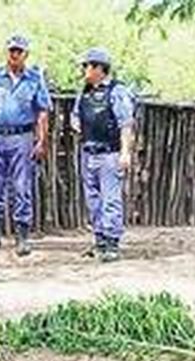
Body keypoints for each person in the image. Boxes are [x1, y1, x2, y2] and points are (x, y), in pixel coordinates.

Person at [0, 34, 53, 257]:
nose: (14, 54)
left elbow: (43, 112)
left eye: (19, 51)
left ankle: (22, 237)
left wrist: (41, 141)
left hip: (22, 137)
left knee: (22, 187)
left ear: (26, 54)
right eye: (11, 50)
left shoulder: (35, 79)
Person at [70, 47, 136, 263]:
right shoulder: (85, 92)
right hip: (88, 151)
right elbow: (75, 116)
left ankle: (112, 241)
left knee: (110, 199)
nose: (84, 70)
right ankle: (99, 239)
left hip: (109, 153)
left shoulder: (117, 92)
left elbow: (126, 124)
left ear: (100, 68)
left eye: (87, 66)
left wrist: (125, 153)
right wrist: (79, 125)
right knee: (93, 199)